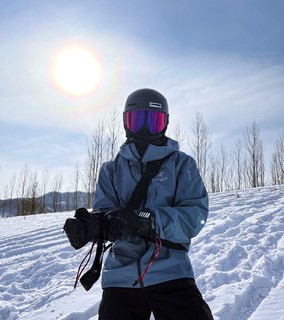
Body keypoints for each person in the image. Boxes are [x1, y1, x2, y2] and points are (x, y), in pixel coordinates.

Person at [64, 88, 214, 320]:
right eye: (137, 121)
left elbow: (194, 215)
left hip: (170, 271)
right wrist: (93, 226)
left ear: (165, 124)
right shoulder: (111, 170)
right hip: (120, 274)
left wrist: (152, 221)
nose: (144, 130)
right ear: (126, 123)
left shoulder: (181, 164)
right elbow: (105, 214)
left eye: (152, 121)